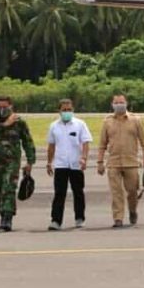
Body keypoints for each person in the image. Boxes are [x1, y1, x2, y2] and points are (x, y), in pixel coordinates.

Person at [96, 94, 144, 228]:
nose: (119, 104)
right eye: (116, 102)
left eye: (121, 102)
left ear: (126, 103)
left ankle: (132, 210)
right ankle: (118, 218)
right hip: (113, 162)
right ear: (112, 104)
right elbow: (102, 144)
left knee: (132, 191)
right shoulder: (107, 122)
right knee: (116, 192)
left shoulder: (136, 120)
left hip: (131, 162)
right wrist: (100, 162)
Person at [0, 96, 36, 232]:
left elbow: (27, 142)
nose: (2, 110)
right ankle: (1, 211)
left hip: (12, 161)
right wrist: (5, 124)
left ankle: (7, 218)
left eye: (5, 107)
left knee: (9, 187)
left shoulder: (19, 122)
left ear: (11, 106)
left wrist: (30, 161)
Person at [46, 99, 92, 231]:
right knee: (59, 193)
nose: (67, 112)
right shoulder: (54, 126)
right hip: (61, 164)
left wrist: (84, 158)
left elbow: (85, 143)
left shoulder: (80, 124)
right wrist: (49, 162)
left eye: (69, 110)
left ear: (73, 110)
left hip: (76, 164)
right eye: (64, 110)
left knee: (78, 192)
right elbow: (51, 145)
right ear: (59, 111)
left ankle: (79, 218)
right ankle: (56, 220)